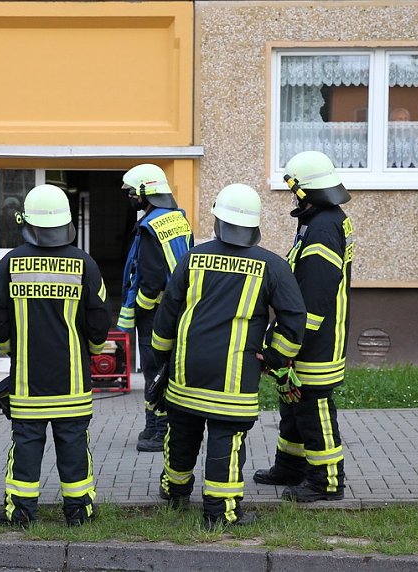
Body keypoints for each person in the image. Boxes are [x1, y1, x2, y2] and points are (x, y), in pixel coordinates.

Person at [151, 183, 306, 527]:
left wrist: (161, 359)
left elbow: (168, 312)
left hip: (186, 373)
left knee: (182, 435)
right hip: (234, 379)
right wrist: (275, 358)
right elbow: (295, 318)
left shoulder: (192, 258)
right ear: (255, 225)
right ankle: (220, 513)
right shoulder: (273, 266)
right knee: (226, 442)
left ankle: (175, 493)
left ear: (218, 221)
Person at [0, 184, 111, 527]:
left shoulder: (10, 263)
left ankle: (21, 513)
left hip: (28, 382)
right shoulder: (84, 264)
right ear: (66, 223)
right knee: (74, 447)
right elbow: (99, 318)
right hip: (72, 382)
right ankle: (79, 512)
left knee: (25, 446)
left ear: (28, 223)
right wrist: (93, 351)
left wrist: (13, 352)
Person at [253, 150, 354, 502]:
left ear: (304, 190)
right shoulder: (320, 219)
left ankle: (326, 481)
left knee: (314, 407)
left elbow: (314, 300)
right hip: (311, 337)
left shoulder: (324, 228)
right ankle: (291, 467)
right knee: (293, 404)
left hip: (317, 341)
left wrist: (288, 345)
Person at [117, 164, 193, 452]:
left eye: (133, 193)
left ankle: (159, 430)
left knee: (154, 370)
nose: (130, 198)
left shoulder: (150, 228)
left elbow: (149, 280)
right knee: (167, 368)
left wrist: (138, 309)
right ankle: (162, 426)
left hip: (155, 315)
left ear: (145, 192)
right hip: (176, 308)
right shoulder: (178, 219)